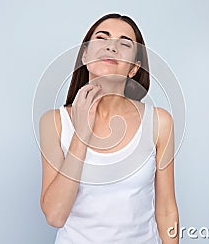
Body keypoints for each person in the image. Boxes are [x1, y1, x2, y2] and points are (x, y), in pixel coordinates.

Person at [39, 13, 179, 243]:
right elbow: (55, 215)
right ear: (85, 55)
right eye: (102, 38)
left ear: (134, 68)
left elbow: (167, 211)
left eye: (124, 43)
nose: (111, 47)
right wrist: (82, 133)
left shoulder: (159, 122)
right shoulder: (53, 123)